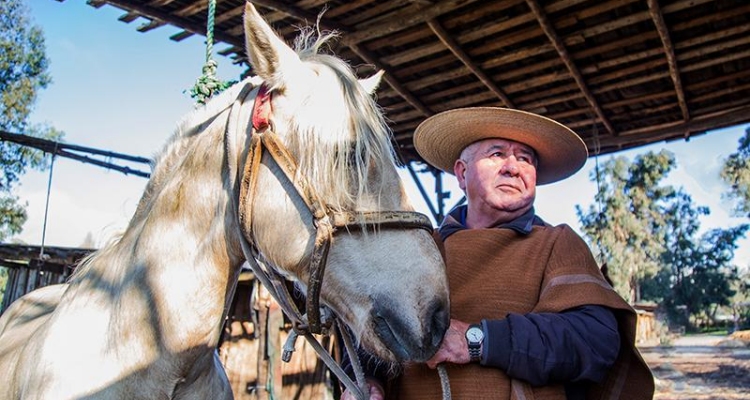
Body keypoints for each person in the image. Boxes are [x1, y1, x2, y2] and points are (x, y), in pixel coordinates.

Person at [341, 107, 654, 400]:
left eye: (526, 159)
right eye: (497, 154)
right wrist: (369, 381)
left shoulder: (557, 243)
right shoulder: (420, 249)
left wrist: (478, 340)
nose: (513, 167)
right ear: (462, 174)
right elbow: (373, 332)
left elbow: (596, 341)